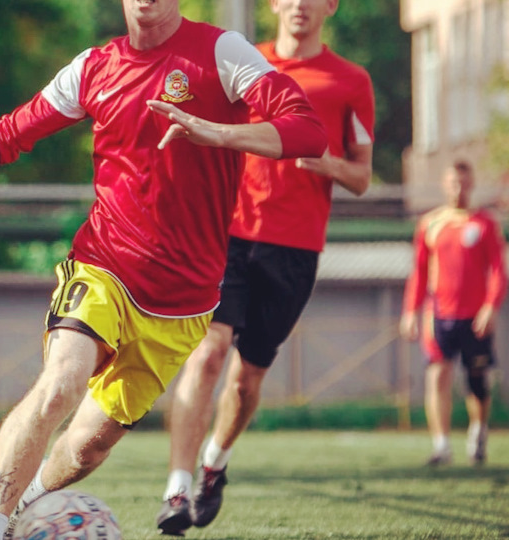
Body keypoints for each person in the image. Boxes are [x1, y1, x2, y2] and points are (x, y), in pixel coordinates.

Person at [0, 0, 328, 538]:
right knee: (61, 383)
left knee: (88, 447)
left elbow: (308, 130)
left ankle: (26, 512)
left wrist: (219, 133)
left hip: (184, 302)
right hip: (102, 265)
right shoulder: (94, 67)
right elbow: (3, 138)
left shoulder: (222, 52)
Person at [156, 0, 375, 534]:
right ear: (274, 4)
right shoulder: (243, 61)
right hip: (228, 234)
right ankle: (176, 489)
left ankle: (214, 464)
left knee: (245, 380)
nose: (299, 4)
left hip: (294, 247)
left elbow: (363, 177)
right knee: (209, 352)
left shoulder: (351, 80)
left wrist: (326, 161)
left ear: (330, 6)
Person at [400, 160, 506, 467]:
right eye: (453, 183)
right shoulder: (430, 223)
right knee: (436, 375)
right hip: (439, 316)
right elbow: (419, 272)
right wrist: (410, 311)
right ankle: (442, 446)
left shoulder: (485, 223)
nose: (458, 189)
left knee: (477, 380)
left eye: (464, 183)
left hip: (475, 318)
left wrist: (490, 307)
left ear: (471, 185)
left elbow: (498, 271)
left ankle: (478, 431)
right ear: (445, 185)